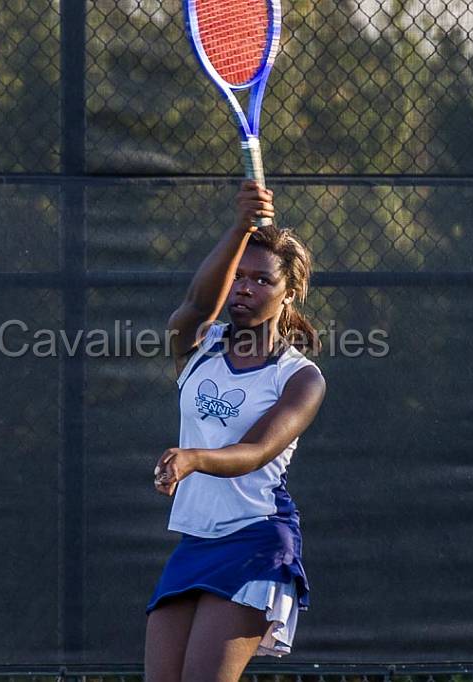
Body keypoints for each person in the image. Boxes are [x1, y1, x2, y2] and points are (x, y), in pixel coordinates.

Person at [143, 180, 327, 681]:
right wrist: (241, 225)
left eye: (263, 280)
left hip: (256, 540)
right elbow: (197, 303)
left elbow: (256, 450)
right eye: (240, 276)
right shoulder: (197, 343)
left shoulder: (301, 378)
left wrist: (193, 458)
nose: (245, 288)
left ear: (289, 294)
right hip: (195, 541)